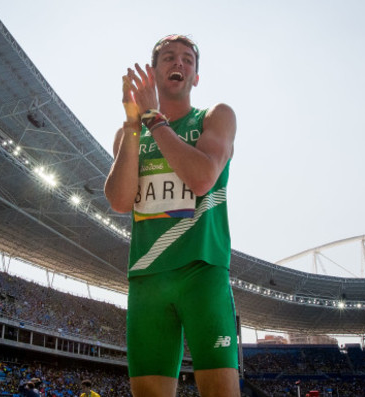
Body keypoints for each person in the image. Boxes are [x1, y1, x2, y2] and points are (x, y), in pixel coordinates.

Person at [105, 34, 239, 397]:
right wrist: (135, 124)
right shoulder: (128, 133)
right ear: (152, 73)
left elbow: (200, 179)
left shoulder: (216, 117)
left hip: (202, 270)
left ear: (196, 77)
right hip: (148, 278)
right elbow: (119, 200)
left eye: (187, 60)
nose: (179, 63)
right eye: (168, 58)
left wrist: (154, 120)